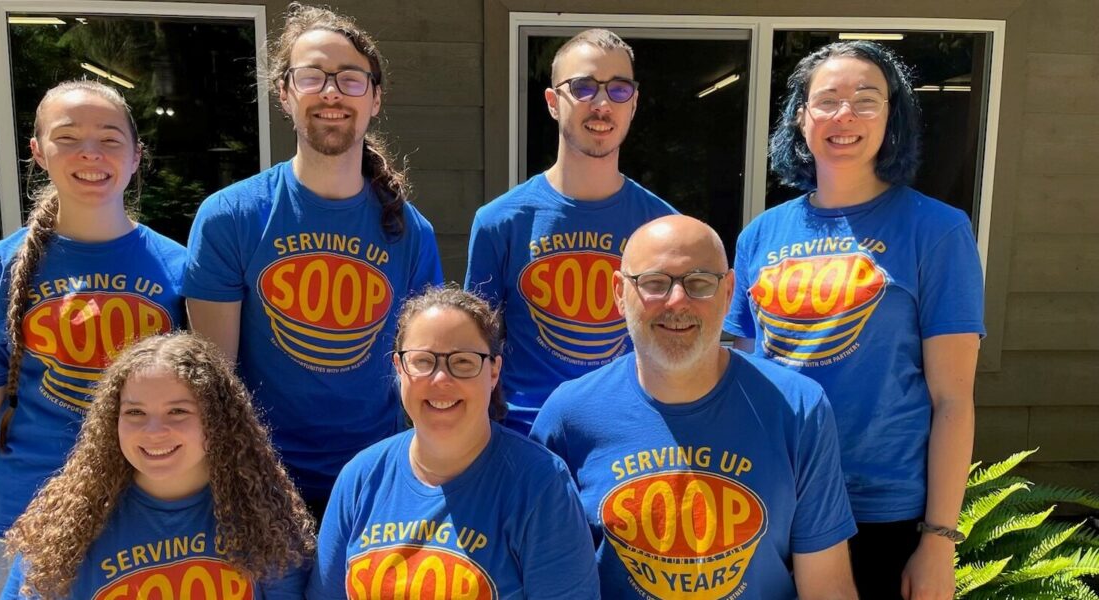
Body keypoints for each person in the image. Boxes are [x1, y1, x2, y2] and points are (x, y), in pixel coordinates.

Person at [725, 41, 985, 600]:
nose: (845, 115)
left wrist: (938, 541)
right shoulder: (760, 235)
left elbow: (953, 399)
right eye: (828, 100)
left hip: (883, 508)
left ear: (892, 115)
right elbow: (746, 376)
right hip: (775, 498)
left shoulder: (936, 230)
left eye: (866, 100)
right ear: (802, 116)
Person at [184, 3, 443, 515]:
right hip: (264, 485)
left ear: (374, 99)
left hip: (376, 482)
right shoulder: (231, 217)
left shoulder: (412, 232)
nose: (330, 92)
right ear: (284, 93)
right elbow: (215, 380)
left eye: (350, 79)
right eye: (311, 77)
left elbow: (420, 373)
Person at [0, 80, 187, 599]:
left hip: (144, 526)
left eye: (109, 137)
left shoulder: (181, 270)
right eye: (68, 137)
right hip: (17, 529)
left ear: (136, 154)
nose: (90, 153)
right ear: (37, 152)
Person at [532, 215, 859, 599]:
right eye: (654, 283)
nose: (677, 301)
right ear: (620, 293)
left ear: (728, 292)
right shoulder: (569, 417)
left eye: (699, 283)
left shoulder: (798, 408)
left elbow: (826, 586)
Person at [306, 286, 600, 599]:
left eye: (462, 362)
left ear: (493, 371)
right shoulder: (360, 478)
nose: (441, 379)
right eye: (422, 361)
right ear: (398, 369)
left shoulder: (541, 485)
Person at [464, 29, 676, 435]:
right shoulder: (500, 222)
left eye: (618, 89)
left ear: (633, 103)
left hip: (629, 436)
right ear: (552, 103)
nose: (601, 103)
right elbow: (477, 352)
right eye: (582, 87)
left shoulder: (662, 227)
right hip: (525, 437)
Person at [0, 333, 316, 599]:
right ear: (113, 422)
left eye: (177, 411)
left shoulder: (265, 521)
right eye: (135, 413)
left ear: (216, 421)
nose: (153, 432)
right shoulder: (64, 528)